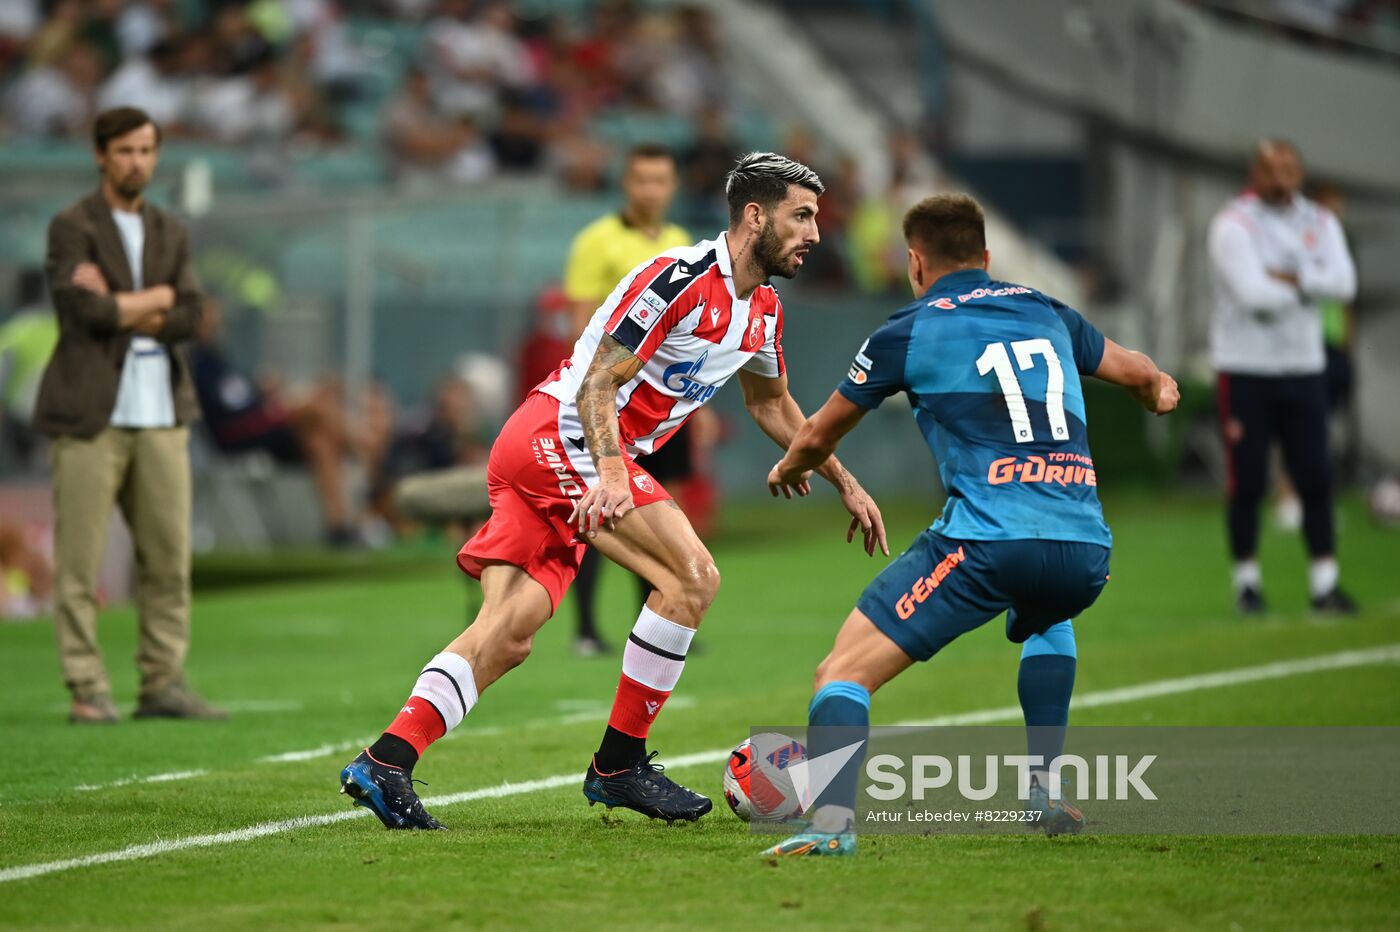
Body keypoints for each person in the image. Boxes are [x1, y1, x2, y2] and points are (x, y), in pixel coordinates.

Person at [338, 152, 887, 830]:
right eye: (801, 216)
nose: (814, 233)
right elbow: (598, 381)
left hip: (559, 452)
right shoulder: (678, 279)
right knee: (691, 578)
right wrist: (613, 472)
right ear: (755, 215)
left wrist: (844, 481)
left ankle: (387, 760)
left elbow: (773, 404)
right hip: (561, 440)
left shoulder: (764, 311)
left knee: (508, 633)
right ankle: (619, 766)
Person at [759, 193, 1180, 856]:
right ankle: (1043, 790)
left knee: (840, 673)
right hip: (1086, 548)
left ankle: (833, 827)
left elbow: (818, 432)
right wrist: (1158, 389)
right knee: (1047, 615)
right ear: (986, 257)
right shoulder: (1048, 312)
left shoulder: (909, 328)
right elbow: (1138, 372)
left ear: (914, 263)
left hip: (990, 538)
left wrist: (791, 467)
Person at [35, 106, 225, 723]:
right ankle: (88, 687)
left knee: (169, 557)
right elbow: (83, 314)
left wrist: (123, 302)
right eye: (124, 151)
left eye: (145, 150)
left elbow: (192, 315)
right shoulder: (72, 226)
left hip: (162, 409)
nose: (136, 161)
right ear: (100, 155)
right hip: (92, 412)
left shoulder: (171, 229)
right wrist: (157, 298)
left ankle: (162, 682)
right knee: (79, 561)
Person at [560, 142, 704, 656]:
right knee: (600, 508)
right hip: (613, 400)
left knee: (665, 509)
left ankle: (659, 626)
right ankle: (585, 629)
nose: (651, 189)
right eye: (641, 179)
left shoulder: (680, 242)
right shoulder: (595, 242)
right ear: (626, 183)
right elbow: (581, 323)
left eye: (660, 180)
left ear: (672, 186)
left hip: (663, 404)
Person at [1208, 140, 1358, 616]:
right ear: (1256, 172)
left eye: (1290, 169)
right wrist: (1312, 279)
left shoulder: (1320, 221)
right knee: (1248, 481)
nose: (1282, 179)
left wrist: (1289, 277)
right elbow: (1253, 293)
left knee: (1316, 474)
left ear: (1300, 171)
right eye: (1273, 170)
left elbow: (1345, 285)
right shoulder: (1234, 225)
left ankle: (1324, 584)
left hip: (1304, 365)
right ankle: (1247, 584)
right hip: (1246, 367)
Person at [188, 297, 377, 547]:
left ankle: (339, 527)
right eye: (207, 316)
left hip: (258, 428)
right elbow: (228, 419)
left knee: (320, 441)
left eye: (215, 315)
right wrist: (275, 409)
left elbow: (241, 398)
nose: (214, 321)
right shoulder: (198, 365)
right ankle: (362, 445)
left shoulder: (220, 358)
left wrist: (263, 392)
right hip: (237, 436)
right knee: (314, 407)